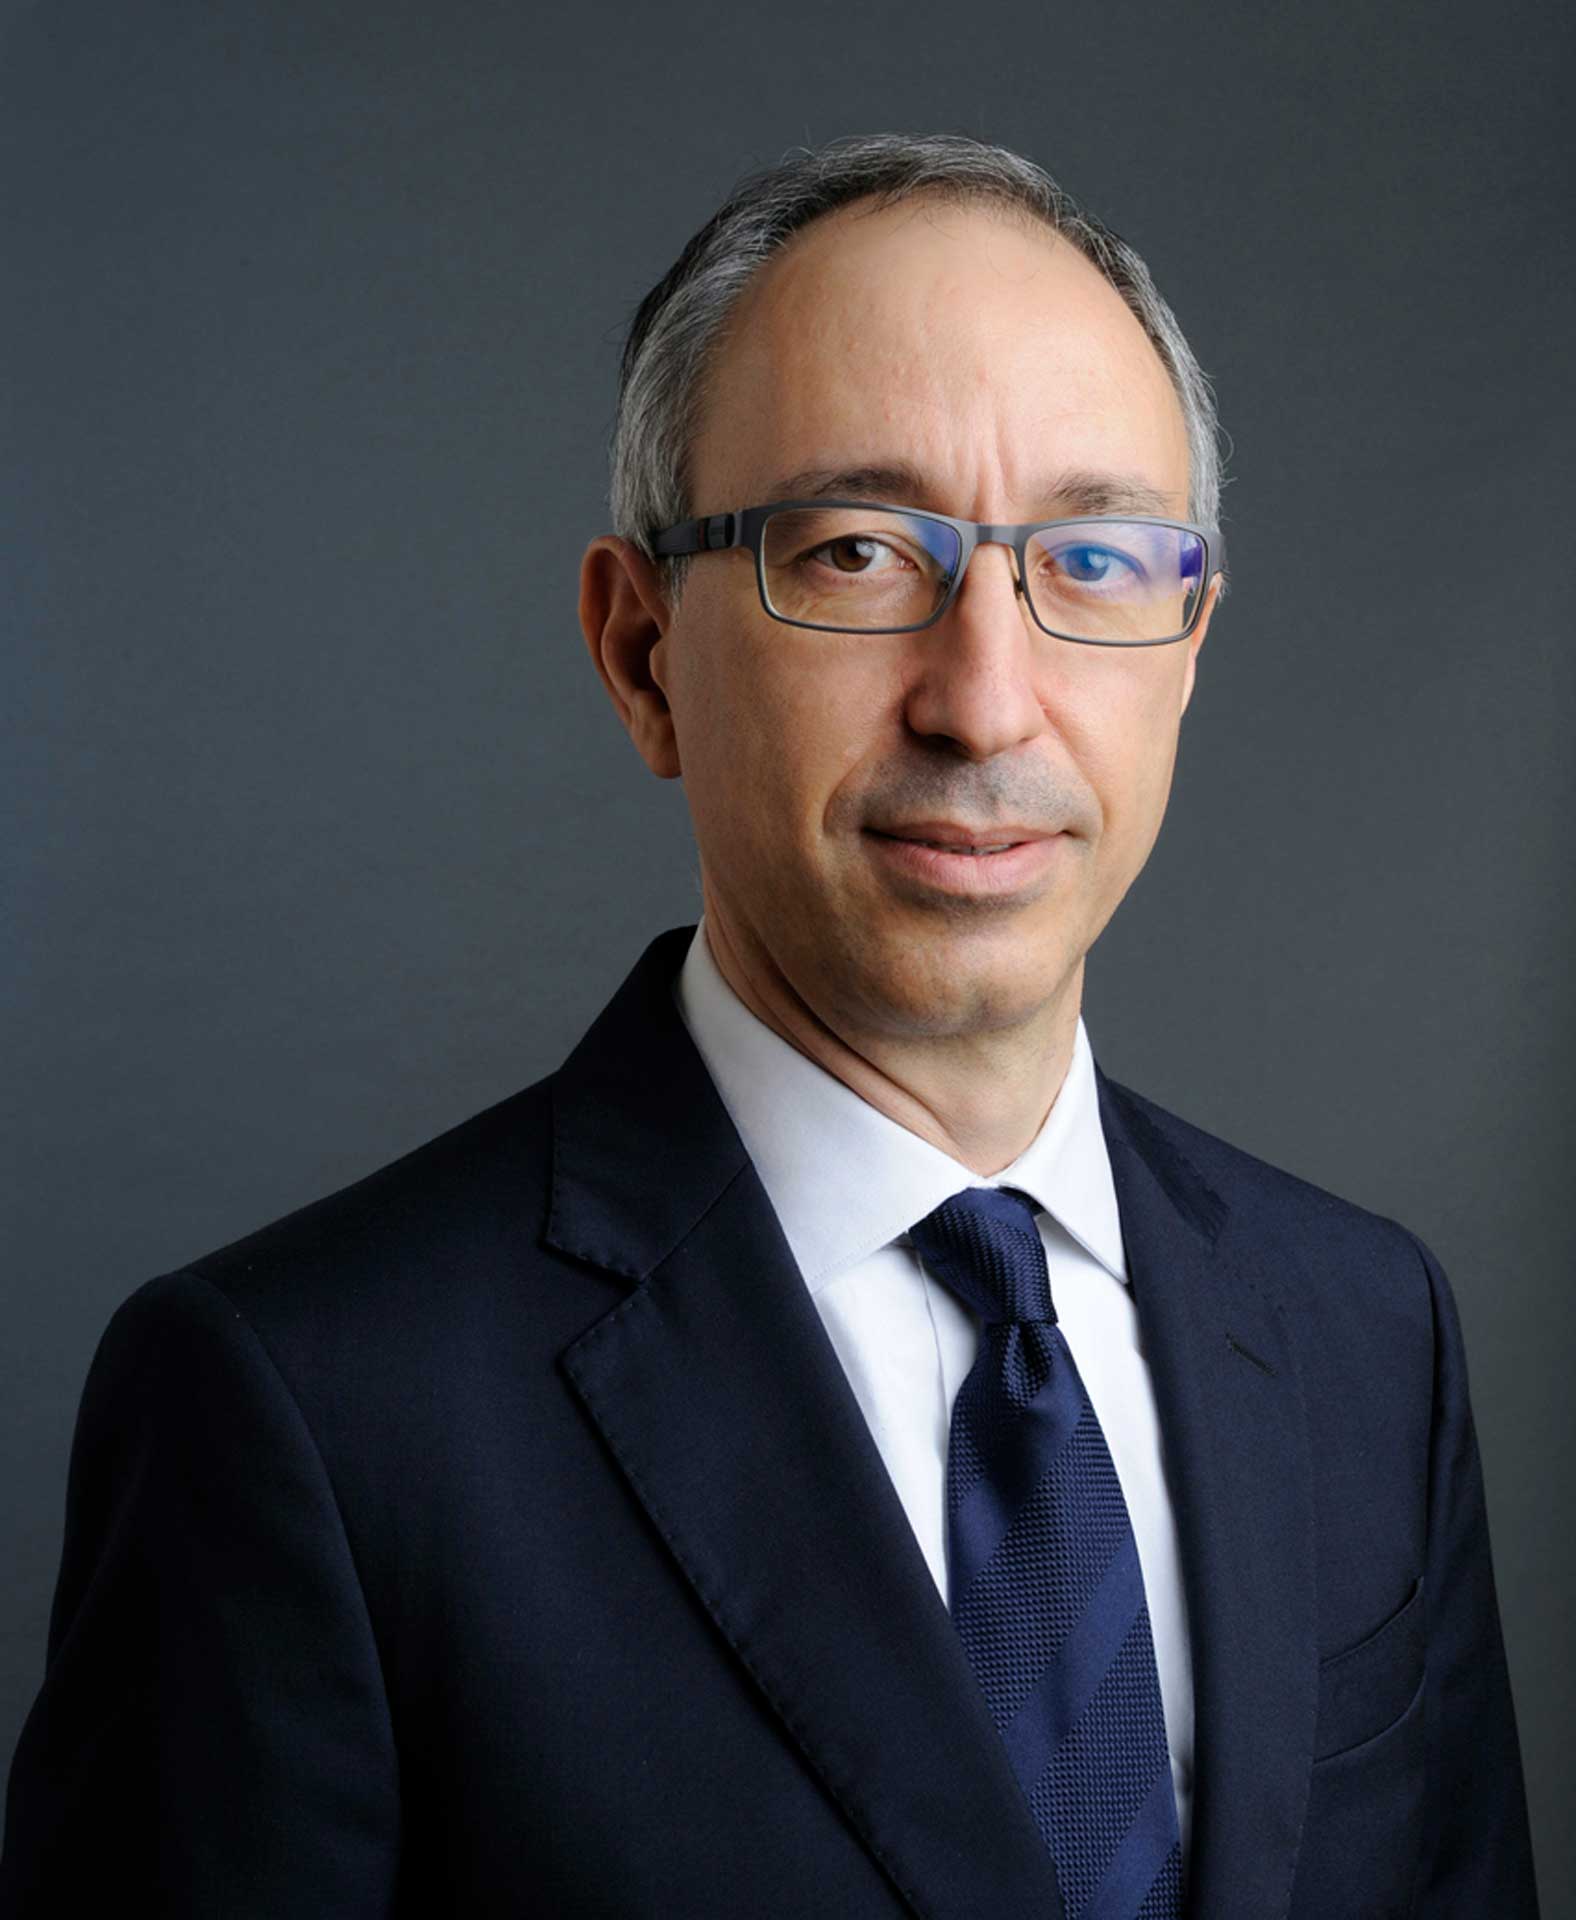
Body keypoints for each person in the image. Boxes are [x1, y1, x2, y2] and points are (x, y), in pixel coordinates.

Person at [0, 133, 1537, 1919]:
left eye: (1095, 560)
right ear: (643, 650)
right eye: (863, 551)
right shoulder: (308, 1414)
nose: (986, 696)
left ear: (1188, 640)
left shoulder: (1367, 1336)